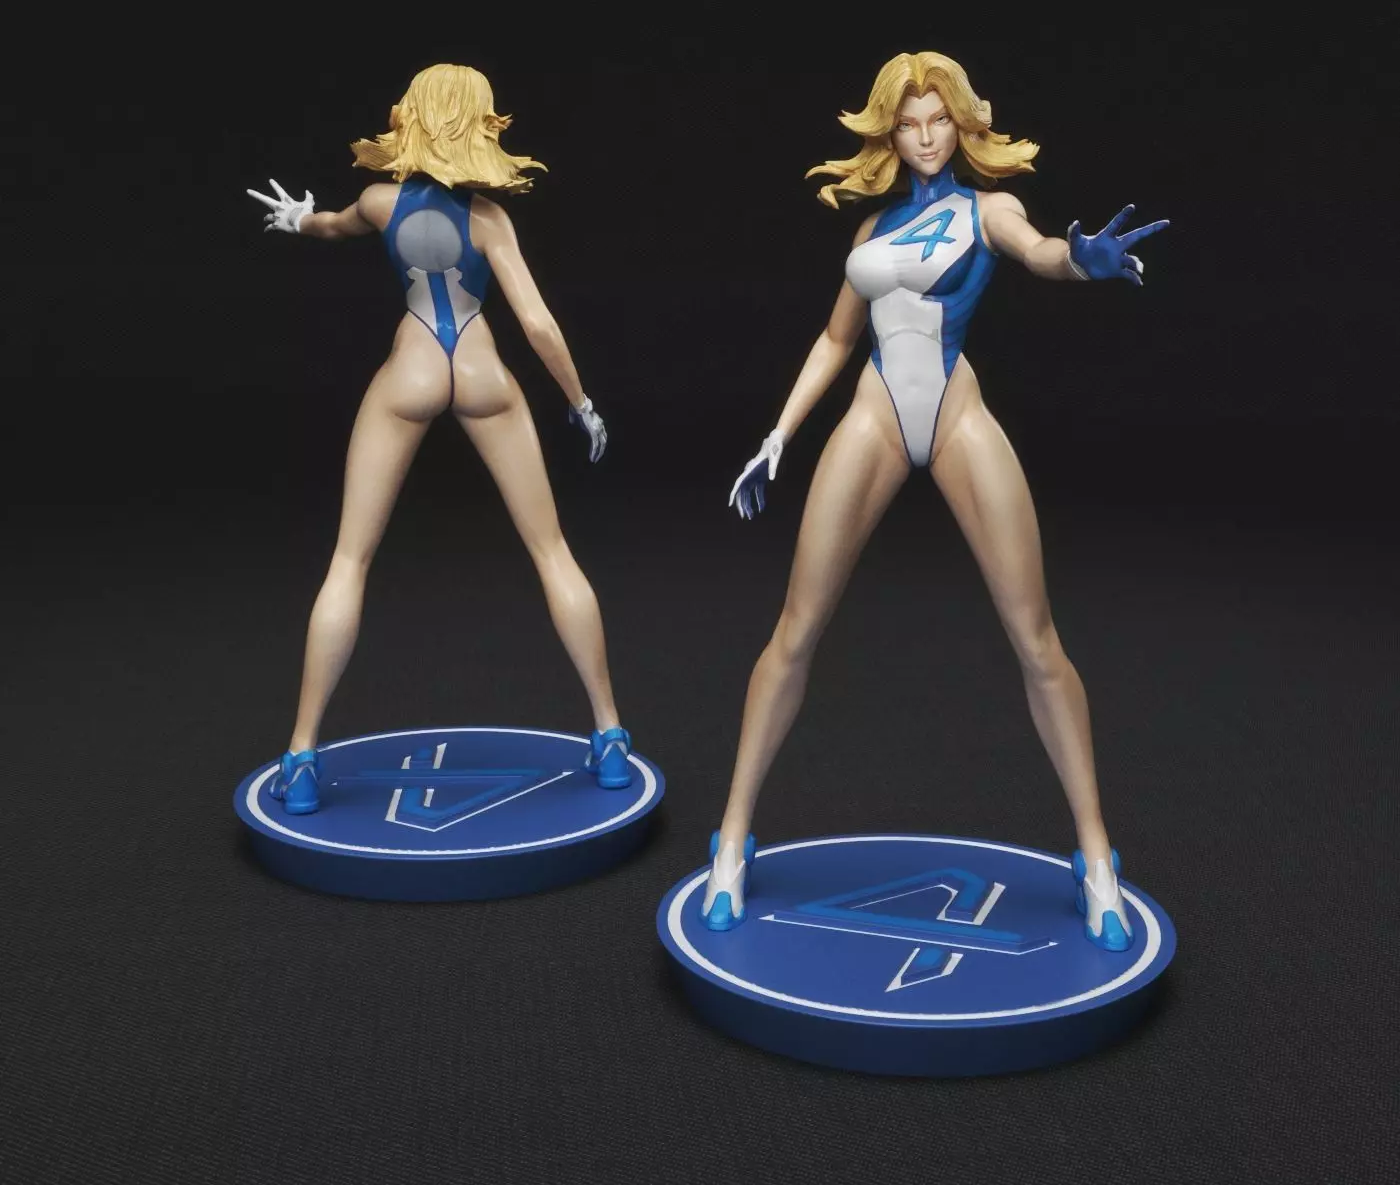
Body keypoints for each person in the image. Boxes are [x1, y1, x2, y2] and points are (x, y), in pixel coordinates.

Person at [703, 51, 1168, 950]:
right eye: (910, 124)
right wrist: (779, 434)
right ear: (891, 131)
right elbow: (836, 338)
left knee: (1036, 639)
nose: (924, 138)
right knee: (795, 629)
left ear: (961, 124)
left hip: (956, 416)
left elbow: (1036, 250)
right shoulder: (871, 227)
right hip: (873, 417)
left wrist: (1081, 262)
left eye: (938, 121)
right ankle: (731, 838)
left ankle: (1096, 853)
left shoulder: (988, 210)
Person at [246, 64, 631, 814]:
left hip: (413, 368)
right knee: (552, 552)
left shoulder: (379, 203)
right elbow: (538, 323)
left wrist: (300, 220)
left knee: (350, 560)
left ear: (412, 119)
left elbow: (333, 225)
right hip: (483, 371)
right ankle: (610, 735)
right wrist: (581, 401)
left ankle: (301, 754)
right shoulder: (489, 220)